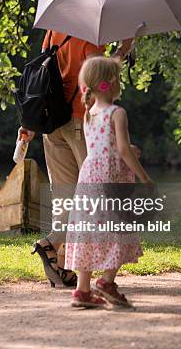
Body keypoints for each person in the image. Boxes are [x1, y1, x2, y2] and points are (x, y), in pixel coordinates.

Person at [23, 30, 134, 288]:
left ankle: (62, 265)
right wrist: (123, 51)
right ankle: (50, 243)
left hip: (51, 124)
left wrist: (28, 124)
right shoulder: (88, 37)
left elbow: (41, 77)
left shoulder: (52, 33)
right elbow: (98, 82)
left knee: (65, 197)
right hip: (79, 123)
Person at [65, 56, 153, 308]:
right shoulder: (118, 112)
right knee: (119, 229)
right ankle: (106, 282)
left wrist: (125, 148)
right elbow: (122, 151)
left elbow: (105, 146)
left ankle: (82, 291)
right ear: (111, 83)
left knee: (91, 229)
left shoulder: (89, 114)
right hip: (111, 177)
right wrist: (145, 178)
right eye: (119, 78)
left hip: (90, 175)